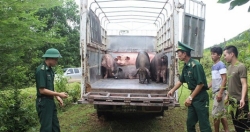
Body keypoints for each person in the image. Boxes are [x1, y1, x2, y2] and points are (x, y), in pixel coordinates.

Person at [167, 41, 212, 132]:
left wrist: (190, 98)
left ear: (185, 53)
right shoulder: (186, 66)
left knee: (204, 125)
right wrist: (172, 90)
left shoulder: (196, 65)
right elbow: (180, 81)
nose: (178, 55)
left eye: (179, 53)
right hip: (193, 97)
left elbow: (201, 84)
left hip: (201, 98)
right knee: (190, 123)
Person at [35, 48, 68, 132]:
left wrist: (57, 97)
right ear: (50, 58)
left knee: (55, 127)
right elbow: (42, 90)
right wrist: (59, 94)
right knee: (46, 128)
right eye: (56, 59)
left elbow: (50, 86)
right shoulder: (41, 70)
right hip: (43, 103)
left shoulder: (50, 70)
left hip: (50, 101)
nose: (56, 61)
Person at [223, 45, 249, 132]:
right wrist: (227, 96)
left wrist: (242, 99)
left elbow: (244, 84)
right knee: (236, 125)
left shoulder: (241, 66)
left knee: (243, 126)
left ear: (232, 54)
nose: (224, 57)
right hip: (232, 101)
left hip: (240, 102)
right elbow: (230, 83)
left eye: (225, 55)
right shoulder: (229, 68)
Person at [208, 47, 229, 132]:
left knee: (215, 115)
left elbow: (224, 79)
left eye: (214, 54)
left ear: (219, 55)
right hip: (216, 92)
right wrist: (206, 87)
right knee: (222, 113)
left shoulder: (221, 65)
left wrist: (220, 93)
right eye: (211, 53)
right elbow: (214, 80)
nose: (212, 55)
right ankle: (227, 130)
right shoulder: (214, 66)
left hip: (219, 92)